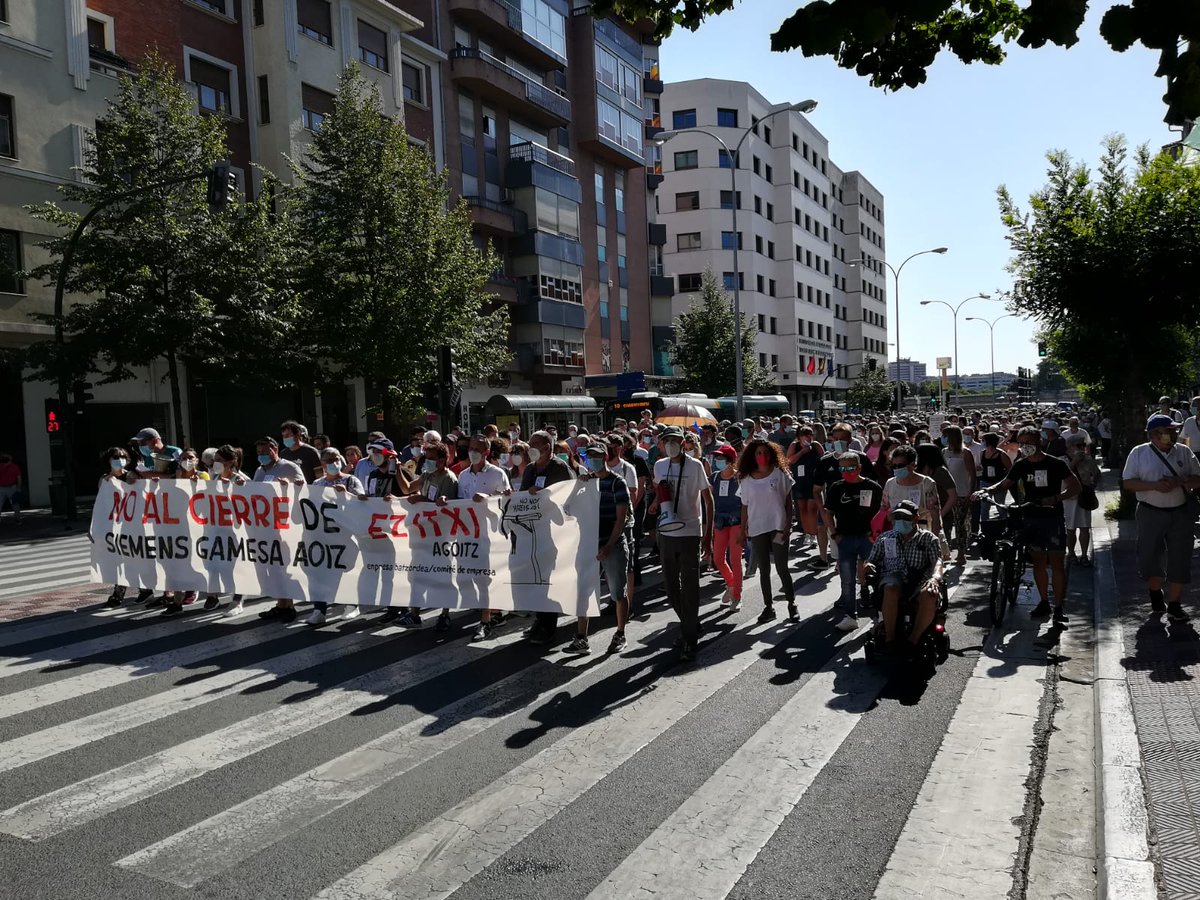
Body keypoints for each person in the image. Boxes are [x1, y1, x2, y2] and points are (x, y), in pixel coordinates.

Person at [979, 425, 1079, 625]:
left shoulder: (1056, 464)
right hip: (1030, 518)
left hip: (1053, 518)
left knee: (1057, 563)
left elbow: (1075, 486)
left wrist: (1057, 498)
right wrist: (986, 491)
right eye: (1022, 443)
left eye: (1029, 443)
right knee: (1038, 562)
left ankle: (1059, 606)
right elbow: (1005, 483)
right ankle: (1044, 601)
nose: (1025, 447)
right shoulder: (1021, 465)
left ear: (1039, 442)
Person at [1121, 414, 1200, 622]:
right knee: (1149, 555)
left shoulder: (1184, 451)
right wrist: (1154, 485)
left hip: (1180, 513)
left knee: (1180, 557)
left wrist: (1180, 481)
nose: (1173, 433)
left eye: (1174, 430)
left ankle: (1175, 604)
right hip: (1150, 512)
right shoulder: (1139, 453)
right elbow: (1128, 483)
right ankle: (1156, 593)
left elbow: (1198, 480)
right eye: (1168, 430)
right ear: (1155, 435)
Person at [649, 426, 714, 662]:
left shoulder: (695, 466)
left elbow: (708, 499)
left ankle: (689, 639)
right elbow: (660, 488)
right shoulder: (659, 465)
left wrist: (708, 534)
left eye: (675, 440)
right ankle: (691, 623)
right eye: (667, 440)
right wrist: (656, 502)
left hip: (689, 532)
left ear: (683, 442)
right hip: (667, 532)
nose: (671, 444)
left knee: (690, 587)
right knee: (671, 588)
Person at [571, 444, 633, 655]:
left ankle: (620, 633)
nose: (592, 460)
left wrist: (608, 546)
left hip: (612, 545)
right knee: (584, 590)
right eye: (589, 457)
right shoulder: (586, 483)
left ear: (605, 457)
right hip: (589, 544)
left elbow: (621, 518)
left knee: (617, 592)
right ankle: (581, 637)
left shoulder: (617, 482)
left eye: (596, 456)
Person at [518, 430, 577, 646]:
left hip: (554, 533)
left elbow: (569, 498)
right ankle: (540, 618)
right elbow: (523, 495)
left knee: (550, 580)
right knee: (537, 578)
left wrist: (545, 495)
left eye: (536, 445)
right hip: (534, 532)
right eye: (530, 444)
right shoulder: (531, 469)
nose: (531, 448)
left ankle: (549, 625)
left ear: (548, 448)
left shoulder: (560, 469)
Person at [864, 500, 944, 657]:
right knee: (891, 587)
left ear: (916, 518)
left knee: (930, 593)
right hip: (893, 579)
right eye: (897, 516)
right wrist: (868, 566)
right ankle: (890, 640)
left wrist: (935, 578)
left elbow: (938, 563)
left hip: (919, 581)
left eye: (905, 517)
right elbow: (871, 560)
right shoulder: (885, 538)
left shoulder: (929, 539)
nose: (901, 520)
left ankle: (913, 641)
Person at [395, 440, 459, 630]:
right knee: (417, 573)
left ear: (442, 460)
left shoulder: (449, 479)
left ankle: (445, 613)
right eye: (426, 458)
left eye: (431, 459)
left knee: (443, 574)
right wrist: (398, 468)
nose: (427, 462)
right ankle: (414, 613)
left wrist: (423, 499)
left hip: (441, 536)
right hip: (423, 534)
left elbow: (447, 509)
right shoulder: (426, 473)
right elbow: (407, 489)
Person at [303, 448, 366, 626]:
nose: (333, 463)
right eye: (328, 460)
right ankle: (319, 610)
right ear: (322, 464)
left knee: (347, 570)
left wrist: (346, 494)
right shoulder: (317, 483)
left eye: (335, 459)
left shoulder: (350, 480)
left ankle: (352, 605)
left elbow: (363, 500)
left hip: (345, 535)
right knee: (319, 572)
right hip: (323, 536)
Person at [458, 434, 512, 642]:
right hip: (467, 534)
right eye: (471, 448)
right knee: (471, 575)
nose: (472, 452)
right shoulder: (463, 475)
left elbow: (507, 500)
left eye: (477, 449)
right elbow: (459, 502)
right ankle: (491, 610)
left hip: (490, 535)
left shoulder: (497, 474)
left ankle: (486, 620)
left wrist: (490, 498)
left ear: (487, 452)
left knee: (486, 576)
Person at [737, 438, 797, 623]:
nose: (762, 456)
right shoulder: (746, 479)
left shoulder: (780, 473)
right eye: (758, 453)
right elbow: (744, 506)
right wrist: (742, 530)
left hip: (778, 525)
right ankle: (768, 607)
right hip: (757, 527)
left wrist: (788, 524)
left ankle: (791, 603)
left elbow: (788, 501)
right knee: (763, 569)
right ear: (752, 456)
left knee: (781, 567)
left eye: (765, 452)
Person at [823, 451, 883, 632]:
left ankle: (880, 614)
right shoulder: (836, 487)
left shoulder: (873, 487)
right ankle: (850, 616)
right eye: (843, 468)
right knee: (847, 581)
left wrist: (876, 535)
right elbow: (828, 513)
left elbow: (881, 513)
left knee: (878, 576)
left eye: (850, 467)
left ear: (859, 468)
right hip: (845, 538)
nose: (846, 472)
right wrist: (834, 534)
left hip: (868, 538)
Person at [252, 437, 307, 623]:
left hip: (285, 525)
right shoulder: (259, 470)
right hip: (266, 525)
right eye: (259, 453)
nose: (262, 456)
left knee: (284, 566)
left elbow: (304, 490)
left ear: (274, 449)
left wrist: (289, 486)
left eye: (265, 452)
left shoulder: (289, 467)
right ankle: (281, 604)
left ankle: (289, 605)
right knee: (273, 566)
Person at [158, 447, 210, 616]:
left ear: (197, 460)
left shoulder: (203, 476)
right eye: (184, 458)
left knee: (197, 561)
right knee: (177, 562)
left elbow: (208, 497)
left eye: (191, 457)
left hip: (198, 527)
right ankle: (177, 600)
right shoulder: (174, 478)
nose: (188, 460)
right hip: (177, 527)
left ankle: (201, 591)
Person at [100, 446, 153, 607]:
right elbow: (101, 504)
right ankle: (119, 591)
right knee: (118, 559)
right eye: (115, 457)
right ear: (109, 460)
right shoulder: (105, 479)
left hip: (133, 524)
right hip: (114, 524)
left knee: (135, 557)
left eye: (122, 457)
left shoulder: (131, 475)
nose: (119, 460)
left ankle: (144, 589)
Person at [203, 444, 250, 616]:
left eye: (220, 461)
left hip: (234, 531)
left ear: (231, 463)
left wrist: (235, 488)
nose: (216, 464)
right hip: (215, 530)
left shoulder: (241, 480)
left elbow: (247, 505)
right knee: (212, 563)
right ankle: (212, 595)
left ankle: (237, 601)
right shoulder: (214, 479)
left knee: (236, 566)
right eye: (215, 460)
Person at [709, 444, 744, 612]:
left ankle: (737, 595)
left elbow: (746, 503)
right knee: (717, 559)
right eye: (717, 458)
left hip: (737, 521)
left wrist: (746, 526)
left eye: (721, 458)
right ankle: (731, 584)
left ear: (731, 461)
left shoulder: (740, 478)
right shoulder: (714, 478)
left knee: (735, 559)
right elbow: (706, 498)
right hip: (720, 522)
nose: (718, 461)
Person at [941, 426, 976, 565]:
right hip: (946, 494)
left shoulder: (965, 453)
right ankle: (946, 550)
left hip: (962, 493)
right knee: (946, 523)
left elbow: (973, 475)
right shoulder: (943, 452)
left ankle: (961, 553)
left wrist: (970, 492)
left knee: (961, 524)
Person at [1063, 444, 1101, 567]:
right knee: (1070, 529)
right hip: (1069, 498)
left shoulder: (1088, 459)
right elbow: (1061, 476)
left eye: (1081, 446)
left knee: (1085, 527)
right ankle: (1071, 553)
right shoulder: (1062, 460)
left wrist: (1091, 487)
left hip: (1083, 497)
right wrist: (1074, 462)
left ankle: (1084, 555)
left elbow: (1097, 474)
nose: (1078, 449)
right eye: (1076, 446)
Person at [0, 453, 22, 524]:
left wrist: (18, 487)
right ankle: (17, 519)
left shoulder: (2, 466)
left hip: (4, 488)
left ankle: (17, 518)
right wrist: (18, 487)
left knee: (13, 504)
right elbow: (19, 478)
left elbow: (18, 478)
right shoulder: (14, 466)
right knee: (15, 504)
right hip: (10, 487)